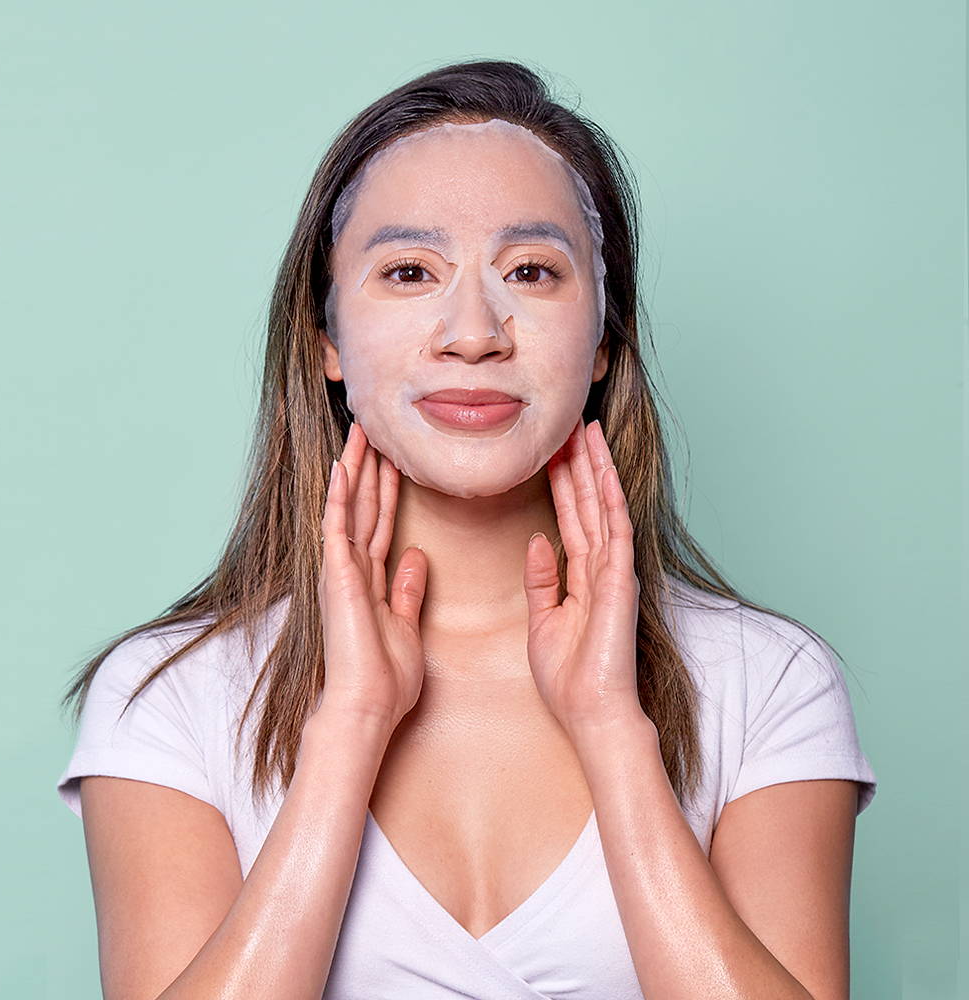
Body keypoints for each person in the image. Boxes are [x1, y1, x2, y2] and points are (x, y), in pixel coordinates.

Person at [56, 59, 877, 1000]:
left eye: (531, 271)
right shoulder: (170, 698)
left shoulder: (768, 682)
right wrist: (350, 726)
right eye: (410, 272)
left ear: (604, 337)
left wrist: (612, 727)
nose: (475, 330)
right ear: (326, 338)